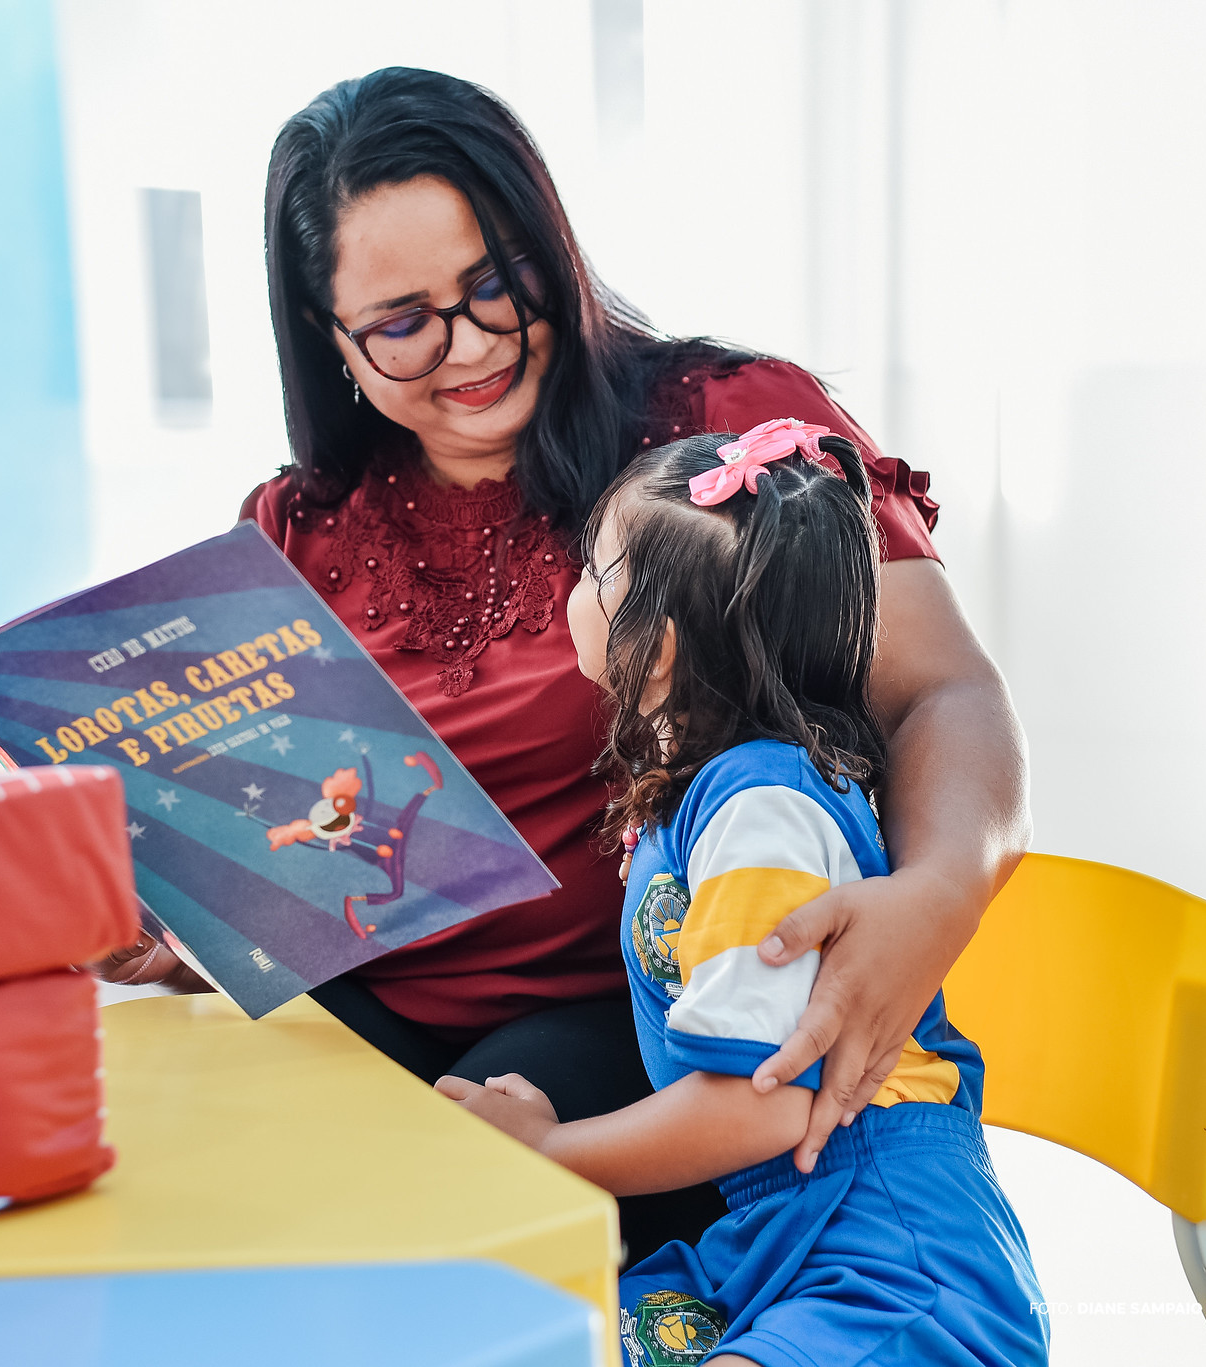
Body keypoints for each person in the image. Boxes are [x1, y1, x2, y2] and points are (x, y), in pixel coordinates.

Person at [90, 67, 1029, 1264]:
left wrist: (940, 891)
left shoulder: (722, 437)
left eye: (498, 281)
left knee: (419, 1218)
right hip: (375, 1006)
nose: (472, 343)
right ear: (331, 341)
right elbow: (308, 856)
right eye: (402, 323)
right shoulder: (294, 529)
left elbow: (945, 690)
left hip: (644, 1023)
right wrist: (187, 931)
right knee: (164, 1171)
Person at [438, 425, 1045, 1367]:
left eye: (595, 570)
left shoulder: (759, 812)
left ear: (658, 647)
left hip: (892, 1256)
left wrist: (551, 1149)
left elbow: (762, 1105)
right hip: (779, 1234)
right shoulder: (723, 791)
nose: (573, 585)